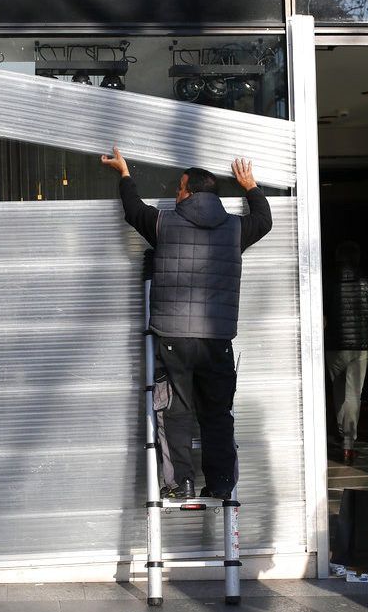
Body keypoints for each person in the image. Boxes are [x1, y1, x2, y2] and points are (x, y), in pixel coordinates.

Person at [101, 147, 272, 500]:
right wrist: (251, 186)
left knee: (175, 411)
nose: (176, 193)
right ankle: (222, 483)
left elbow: (133, 211)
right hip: (216, 339)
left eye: (179, 188)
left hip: (172, 338)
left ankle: (181, 482)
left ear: (190, 192)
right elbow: (264, 220)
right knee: (217, 414)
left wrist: (125, 174)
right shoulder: (235, 228)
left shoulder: (165, 222)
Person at [324, 240, 368, 465]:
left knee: (338, 394)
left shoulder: (328, 282)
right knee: (353, 396)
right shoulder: (367, 281)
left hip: (334, 345)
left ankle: (343, 435)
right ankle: (348, 443)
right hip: (360, 346)